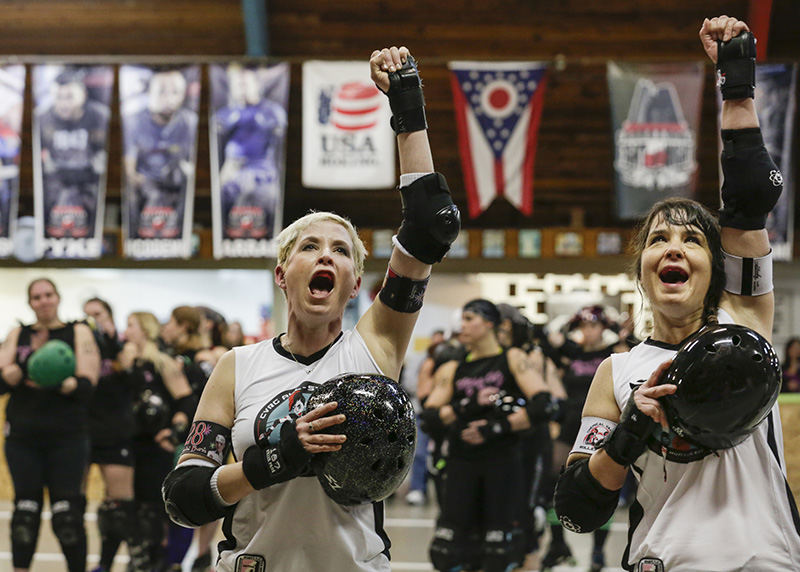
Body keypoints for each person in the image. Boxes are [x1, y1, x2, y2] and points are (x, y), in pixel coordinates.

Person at [162, 44, 460, 572]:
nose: (326, 254)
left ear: (351, 287)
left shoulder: (377, 344)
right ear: (282, 275)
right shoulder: (238, 366)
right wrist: (273, 460)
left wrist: (407, 104)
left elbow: (431, 224)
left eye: (341, 251)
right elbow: (184, 496)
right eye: (310, 247)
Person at [554, 16, 800, 571]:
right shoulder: (615, 373)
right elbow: (575, 510)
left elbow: (748, 197)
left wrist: (736, 80)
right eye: (658, 239)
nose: (673, 248)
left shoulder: (744, 321)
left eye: (692, 240)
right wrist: (629, 434)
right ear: (641, 271)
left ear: (715, 269)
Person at [422, 299, 554, 572]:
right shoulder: (452, 368)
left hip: (502, 464)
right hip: (461, 465)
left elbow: (544, 405)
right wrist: (467, 405)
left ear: (491, 323)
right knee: (448, 551)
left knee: (500, 552)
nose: (463, 325)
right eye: (463, 318)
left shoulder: (513, 358)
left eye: (470, 318)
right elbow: (430, 418)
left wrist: (495, 428)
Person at [0, 278, 100, 572]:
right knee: (25, 516)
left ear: (57, 298)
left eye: (48, 295)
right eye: (36, 297)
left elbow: (88, 386)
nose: (43, 301)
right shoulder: (18, 333)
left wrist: (63, 381)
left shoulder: (78, 331)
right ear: (30, 303)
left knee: (67, 515)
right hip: (23, 436)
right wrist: (17, 372)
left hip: (67, 436)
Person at [541, 305, 631, 570]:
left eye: (593, 326)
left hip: (602, 428)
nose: (588, 331)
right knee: (553, 482)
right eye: (583, 327)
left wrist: (615, 331)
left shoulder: (614, 354)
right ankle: (557, 544)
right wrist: (566, 329)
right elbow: (547, 346)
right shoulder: (573, 354)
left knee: (602, 487)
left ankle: (598, 551)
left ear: (603, 328)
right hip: (570, 424)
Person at [121, 311, 196, 570]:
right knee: (129, 509)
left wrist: (175, 432)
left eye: (131, 325)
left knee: (153, 509)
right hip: (128, 443)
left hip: (154, 446)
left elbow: (186, 399)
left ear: (145, 329)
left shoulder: (161, 361)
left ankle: (160, 563)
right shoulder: (127, 361)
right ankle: (139, 560)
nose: (127, 330)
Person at [83, 297, 148, 572]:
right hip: (84, 432)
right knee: (76, 507)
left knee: (120, 507)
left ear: (110, 316)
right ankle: (99, 564)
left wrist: (114, 342)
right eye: (87, 315)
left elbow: (135, 384)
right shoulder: (79, 347)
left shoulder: (124, 347)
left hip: (116, 431)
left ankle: (135, 563)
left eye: (98, 314)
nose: (93, 320)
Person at [124, 68, 197, 239]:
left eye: (175, 92)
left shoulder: (191, 122)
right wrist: (143, 182)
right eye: (162, 91)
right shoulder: (132, 122)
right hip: (145, 186)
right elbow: (129, 168)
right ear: (149, 91)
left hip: (178, 187)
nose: (169, 98)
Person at [39, 68, 109, 238]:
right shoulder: (41, 119)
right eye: (59, 97)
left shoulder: (101, 117)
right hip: (56, 183)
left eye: (69, 97)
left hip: (90, 183)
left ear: (83, 94)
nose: (64, 104)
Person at [405, 328, 446, 507]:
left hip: (443, 415)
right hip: (422, 413)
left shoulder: (449, 363)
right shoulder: (422, 361)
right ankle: (417, 489)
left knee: (442, 455)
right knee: (419, 453)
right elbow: (411, 384)